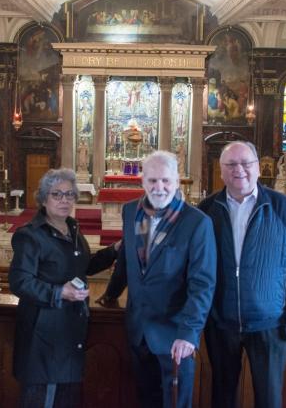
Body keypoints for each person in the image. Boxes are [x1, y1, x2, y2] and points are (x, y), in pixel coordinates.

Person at [198, 141, 286, 408]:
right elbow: (192, 266)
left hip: (269, 322)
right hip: (221, 323)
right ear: (221, 170)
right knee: (222, 396)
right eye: (231, 164)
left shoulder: (280, 205)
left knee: (269, 398)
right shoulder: (206, 209)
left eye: (246, 163)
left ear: (258, 168)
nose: (239, 170)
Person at [97, 151, 216, 408]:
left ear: (177, 181)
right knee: (145, 399)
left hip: (175, 336)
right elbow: (128, 261)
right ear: (142, 181)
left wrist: (189, 333)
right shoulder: (132, 212)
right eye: (152, 181)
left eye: (165, 180)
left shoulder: (197, 223)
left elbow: (202, 284)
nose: (158, 187)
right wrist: (110, 294)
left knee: (174, 403)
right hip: (139, 330)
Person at [10, 168, 119, 408]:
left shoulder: (72, 228)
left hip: (70, 330)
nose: (64, 200)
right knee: (41, 399)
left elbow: (82, 267)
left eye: (70, 194)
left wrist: (114, 250)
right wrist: (60, 292)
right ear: (44, 198)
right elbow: (20, 282)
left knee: (65, 399)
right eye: (57, 194)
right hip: (43, 335)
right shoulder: (30, 236)